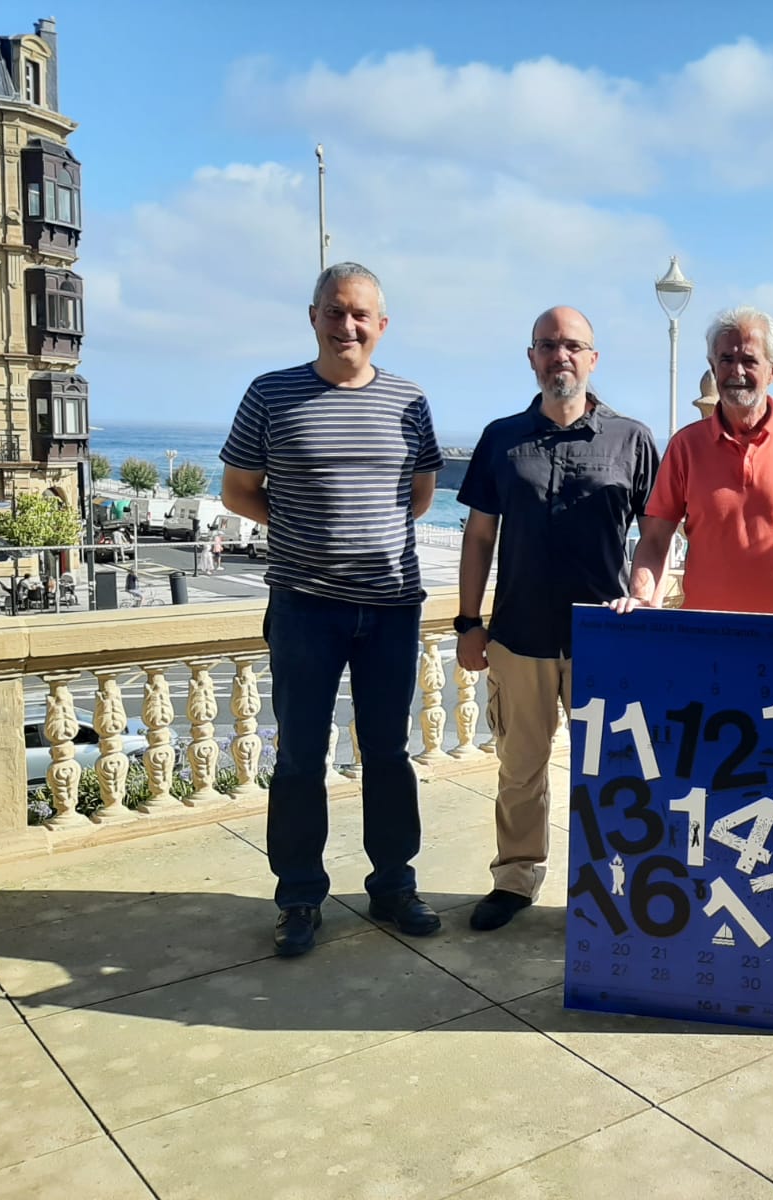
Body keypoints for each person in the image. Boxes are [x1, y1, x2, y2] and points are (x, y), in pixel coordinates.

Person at [220, 261, 444, 958]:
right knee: (299, 759)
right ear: (313, 316)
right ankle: (297, 898)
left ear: (381, 325)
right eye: (334, 311)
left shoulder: (409, 399)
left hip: (390, 608)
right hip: (303, 608)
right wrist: (300, 531)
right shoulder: (271, 395)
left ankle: (394, 883)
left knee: (388, 753)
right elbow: (236, 491)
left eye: (360, 315)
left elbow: (420, 495)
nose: (347, 325)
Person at [455, 306, 658, 931]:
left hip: (606, 641)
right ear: (532, 357)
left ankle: (612, 886)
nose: (560, 356)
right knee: (519, 771)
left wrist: (647, 601)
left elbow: (659, 534)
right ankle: (515, 880)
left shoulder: (632, 439)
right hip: (519, 637)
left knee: (615, 775)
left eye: (572, 346)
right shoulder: (500, 437)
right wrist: (468, 623)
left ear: (593, 359)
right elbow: (479, 537)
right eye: (548, 345)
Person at [621, 306, 773, 615]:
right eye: (726, 359)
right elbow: (656, 540)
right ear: (713, 366)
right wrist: (642, 597)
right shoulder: (686, 446)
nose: (737, 371)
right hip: (703, 634)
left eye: (749, 360)